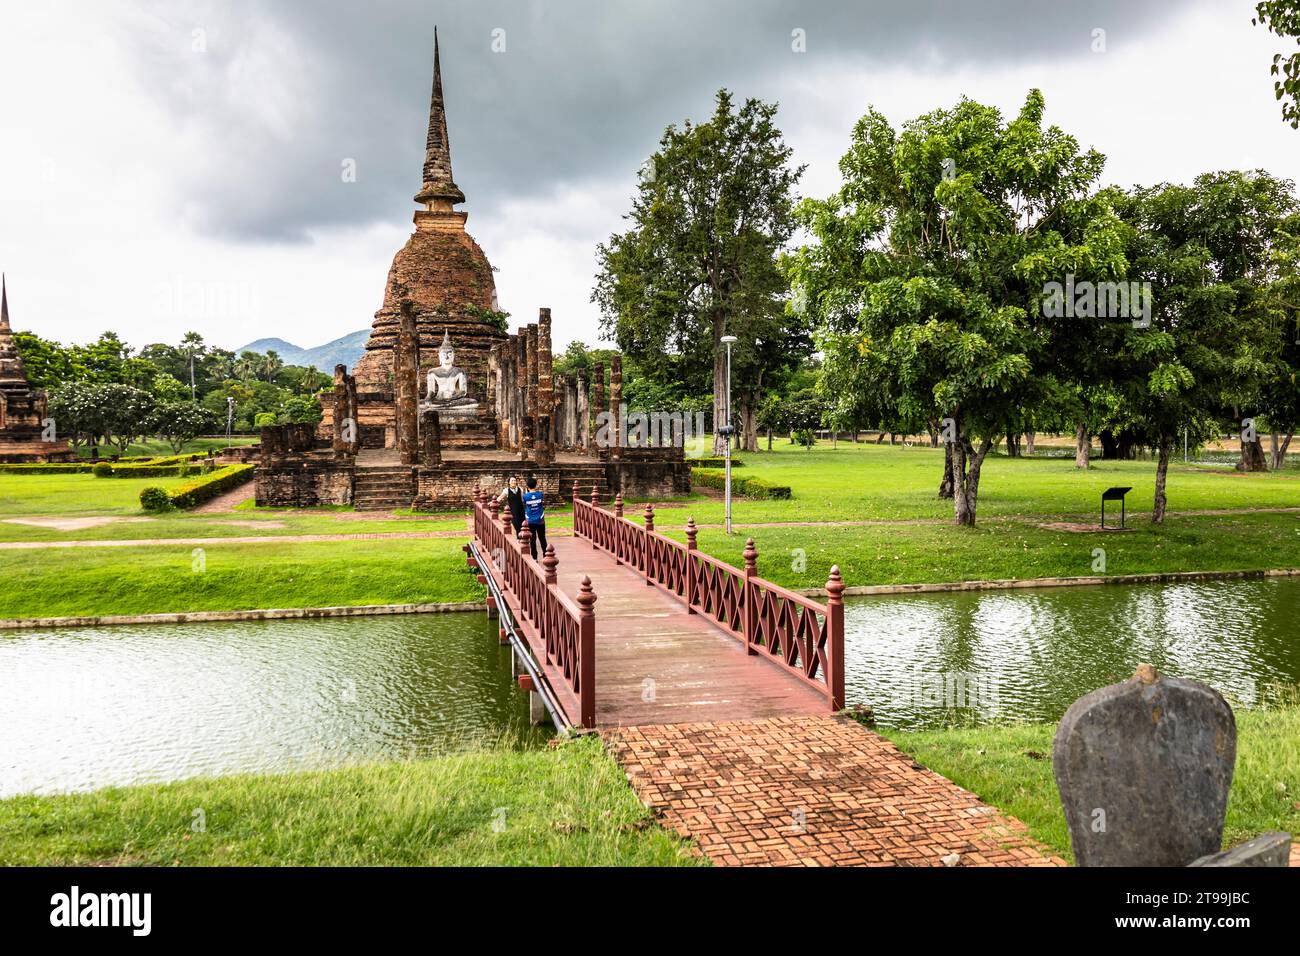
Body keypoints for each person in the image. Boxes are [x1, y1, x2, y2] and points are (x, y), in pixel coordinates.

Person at [522, 476, 547, 560]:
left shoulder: (525, 496)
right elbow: (543, 504)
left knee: (532, 540)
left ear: (527, 486)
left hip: (530, 521)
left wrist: (527, 492)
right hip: (540, 520)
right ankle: (545, 555)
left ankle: (534, 557)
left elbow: (526, 504)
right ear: (536, 485)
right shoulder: (540, 495)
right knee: (542, 538)